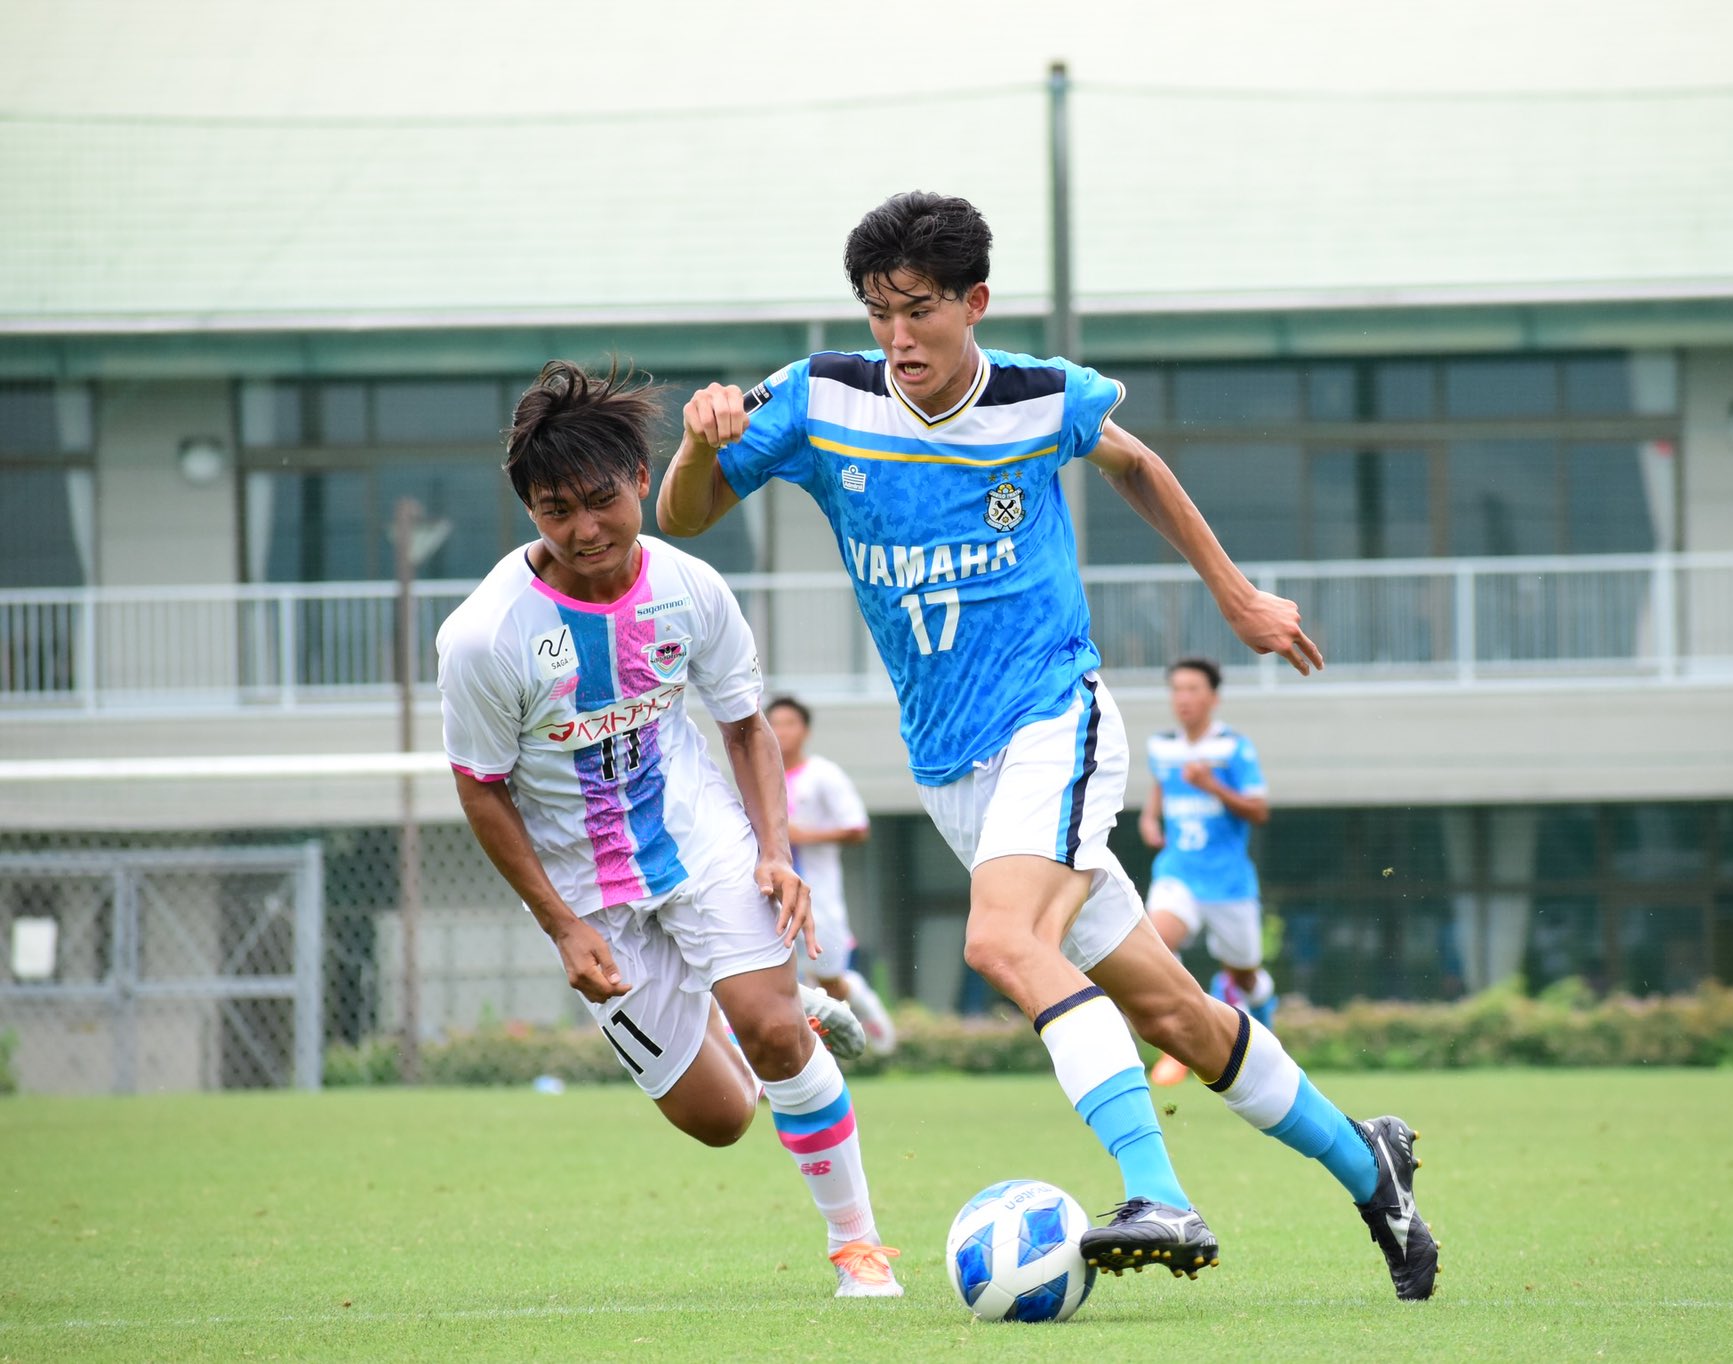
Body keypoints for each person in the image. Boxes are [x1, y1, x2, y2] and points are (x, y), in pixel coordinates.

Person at [657, 192, 1437, 1300]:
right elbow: (682, 516)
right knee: (1176, 1012)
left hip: (1053, 721)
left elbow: (1132, 462)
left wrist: (1234, 593)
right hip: (954, 771)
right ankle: (1374, 1167)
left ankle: (1153, 1184)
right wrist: (697, 446)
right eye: (877, 310)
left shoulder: (1038, 397)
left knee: (999, 941)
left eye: (918, 310)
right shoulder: (820, 397)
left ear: (973, 302)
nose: (896, 337)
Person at [436, 359, 902, 1296]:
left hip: (703, 847)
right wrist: (561, 926)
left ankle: (858, 1247)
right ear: (529, 508)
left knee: (774, 1041)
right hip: (588, 896)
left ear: (641, 481)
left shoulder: (692, 588)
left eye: (601, 500)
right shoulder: (485, 637)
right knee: (721, 1119)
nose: (584, 530)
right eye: (555, 509)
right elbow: (482, 789)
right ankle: (778, 1013)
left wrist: (775, 849)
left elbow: (743, 726)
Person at [1138, 658, 1275, 1087]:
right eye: (1176, 689)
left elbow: (1259, 810)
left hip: (1228, 883)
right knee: (1156, 945)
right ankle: (1179, 1045)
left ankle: (1258, 1008)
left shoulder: (1234, 748)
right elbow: (1160, 782)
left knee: (1244, 973)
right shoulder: (1162, 746)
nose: (1183, 698)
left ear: (1213, 697)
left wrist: (1212, 786)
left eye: (1193, 689)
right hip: (1178, 872)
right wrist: (1149, 819)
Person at [767, 694, 899, 1055]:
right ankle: (793, 1060)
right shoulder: (761, 778)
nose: (781, 732)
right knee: (776, 981)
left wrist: (801, 835)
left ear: (805, 730)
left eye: (789, 723)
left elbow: (857, 828)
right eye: (774, 724)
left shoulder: (822, 774)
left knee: (828, 979)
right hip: (772, 899)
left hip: (819, 897)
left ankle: (860, 999)